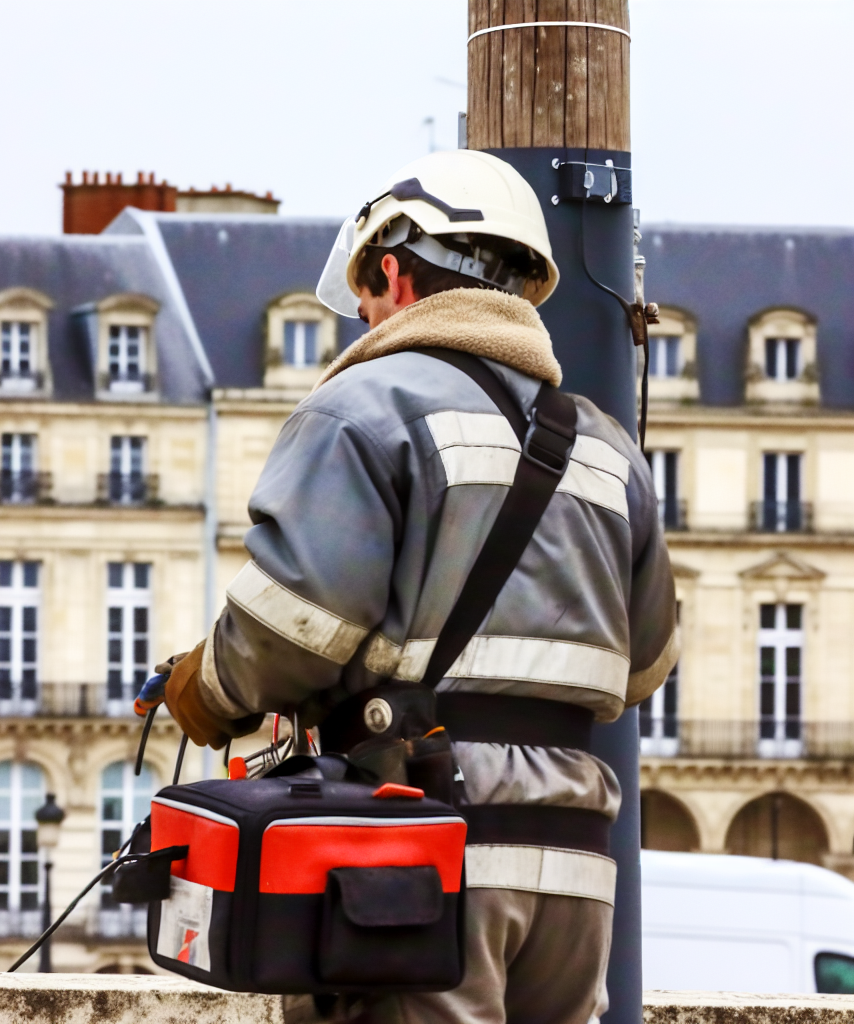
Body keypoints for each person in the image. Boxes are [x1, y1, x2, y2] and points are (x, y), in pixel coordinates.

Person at [137, 150, 679, 1024]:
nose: (361, 312)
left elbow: (295, 627)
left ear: (392, 271)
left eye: (364, 289)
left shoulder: (362, 406)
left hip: (419, 848)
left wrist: (203, 688)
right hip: (576, 859)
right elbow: (645, 665)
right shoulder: (608, 447)